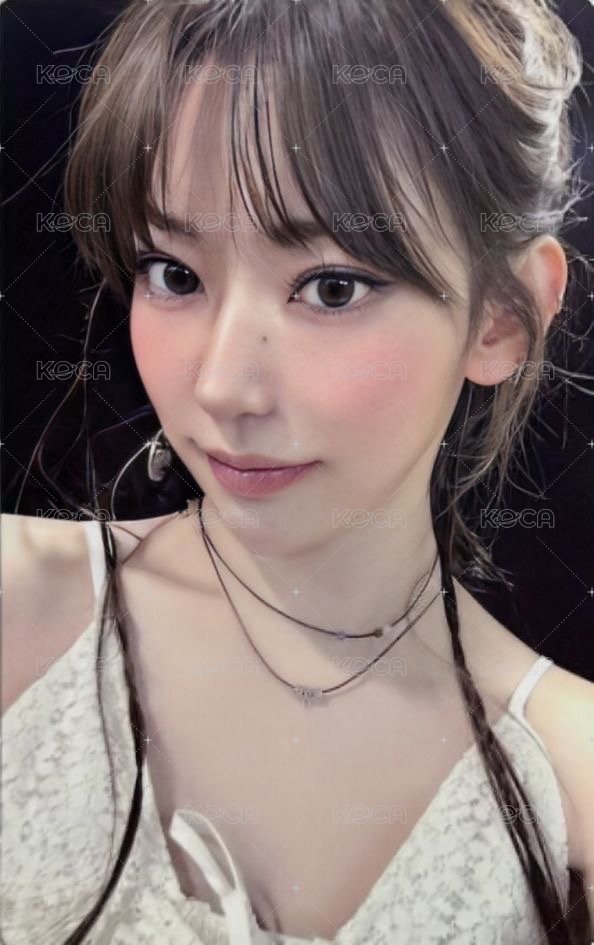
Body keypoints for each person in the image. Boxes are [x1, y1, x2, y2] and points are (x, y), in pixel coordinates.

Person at [2, 0, 594, 942]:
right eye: (174, 274)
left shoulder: (573, 783)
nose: (222, 386)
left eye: (331, 286)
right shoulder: (19, 611)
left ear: (503, 314)